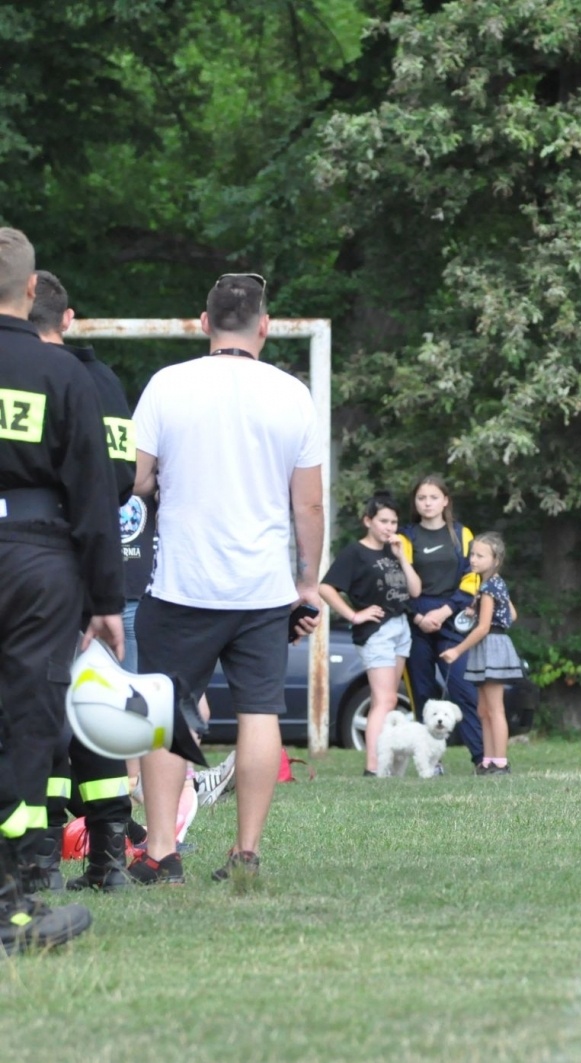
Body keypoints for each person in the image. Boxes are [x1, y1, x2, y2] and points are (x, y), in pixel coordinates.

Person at [130, 271, 324, 885]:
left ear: (204, 322)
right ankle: (245, 852)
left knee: (165, 714)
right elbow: (309, 506)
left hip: (182, 581)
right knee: (259, 712)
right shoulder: (292, 394)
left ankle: (161, 852)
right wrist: (307, 582)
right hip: (262, 586)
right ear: (264, 326)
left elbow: (136, 480)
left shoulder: (167, 385)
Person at [0, 227, 123, 954]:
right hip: (39, 563)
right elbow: (94, 497)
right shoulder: (61, 374)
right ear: (29, 291)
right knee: (28, 719)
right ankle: (14, 903)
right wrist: (105, 599)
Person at [27, 270, 141, 892]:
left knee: (34, 704)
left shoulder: (30, 373)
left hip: (37, 556)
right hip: (91, 559)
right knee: (90, 709)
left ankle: (40, 856)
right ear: (69, 318)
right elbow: (120, 477)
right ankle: (109, 855)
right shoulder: (103, 382)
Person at [320, 493, 422, 776]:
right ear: (368, 521)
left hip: (401, 626)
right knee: (385, 699)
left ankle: (383, 764)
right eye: (383, 521)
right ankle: (373, 767)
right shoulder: (356, 552)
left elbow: (414, 590)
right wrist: (354, 615)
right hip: (376, 630)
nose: (389, 527)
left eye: (394, 522)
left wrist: (402, 557)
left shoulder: (395, 550)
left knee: (388, 699)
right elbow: (326, 588)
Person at [396, 475, 484, 768]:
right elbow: (398, 582)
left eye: (433, 497)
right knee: (422, 693)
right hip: (417, 622)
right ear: (415, 503)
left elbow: (472, 578)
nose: (427, 503)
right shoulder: (406, 536)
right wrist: (418, 615)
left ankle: (482, 759)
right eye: (422, 498)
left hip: (452, 619)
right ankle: (431, 764)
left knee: (464, 688)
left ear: (445, 501)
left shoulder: (462, 533)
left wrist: (446, 610)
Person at [439, 533, 526, 775]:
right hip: (488, 646)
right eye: (472, 555)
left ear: (495, 559)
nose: (473, 560)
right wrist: (476, 610)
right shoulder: (493, 584)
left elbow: (484, 628)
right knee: (483, 709)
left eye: (480, 555)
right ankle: (488, 760)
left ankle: (500, 762)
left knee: (495, 708)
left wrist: (457, 650)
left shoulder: (489, 587)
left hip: (491, 646)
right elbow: (513, 615)